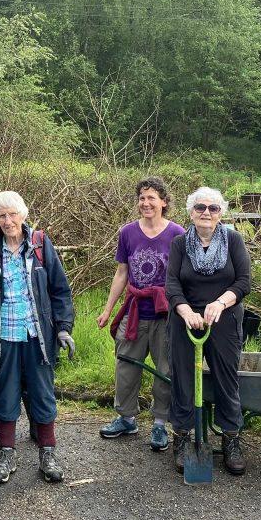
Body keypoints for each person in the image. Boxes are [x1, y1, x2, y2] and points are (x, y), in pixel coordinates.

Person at [0, 191, 76, 485]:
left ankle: (48, 454)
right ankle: (7, 454)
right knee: (5, 394)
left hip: (37, 335)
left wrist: (63, 328)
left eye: (12, 214)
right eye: (2, 216)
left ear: (23, 215)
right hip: (5, 337)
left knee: (42, 394)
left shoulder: (41, 246)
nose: (8, 221)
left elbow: (60, 291)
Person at [166, 188, 251, 476]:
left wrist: (220, 302)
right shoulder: (179, 243)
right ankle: (183, 437)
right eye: (200, 207)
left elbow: (243, 282)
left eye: (213, 208)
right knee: (183, 379)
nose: (206, 212)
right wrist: (186, 310)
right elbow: (172, 284)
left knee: (227, 379)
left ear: (221, 213)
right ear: (191, 212)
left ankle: (231, 438)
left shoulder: (234, 240)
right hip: (185, 320)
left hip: (224, 318)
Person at [96, 176, 185, 450]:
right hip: (134, 311)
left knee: (165, 369)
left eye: (152, 198)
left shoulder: (177, 234)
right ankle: (126, 417)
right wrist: (108, 310)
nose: (146, 203)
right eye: (142, 198)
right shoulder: (127, 233)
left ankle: (160, 424)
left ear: (164, 202)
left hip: (165, 314)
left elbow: (183, 277)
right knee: (126, 364)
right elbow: (122, 272)